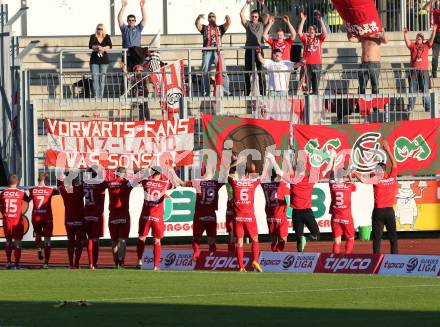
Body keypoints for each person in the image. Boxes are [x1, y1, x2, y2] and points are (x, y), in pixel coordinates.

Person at [266, 152, 320, 252]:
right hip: (307, 212)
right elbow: (324, 171)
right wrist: (331, 159)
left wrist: (273, 159)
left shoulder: (293, 179)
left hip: (296, 213)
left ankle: (299, 259)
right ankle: (307, 239)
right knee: (316, 235)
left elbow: (279, 171)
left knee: (299, 238)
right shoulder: (310, 180)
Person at [355, 141, 399, 254]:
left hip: (379, 211)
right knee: (393, 236)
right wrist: (388, 149)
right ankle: (395, 257)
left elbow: (363, 179)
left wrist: (354, 172)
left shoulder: (376, 178)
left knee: (377, 237)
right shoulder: (392, 177)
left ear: (379, 170)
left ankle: (376, 259)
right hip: (389, 211)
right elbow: (394, 164)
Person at [228, 161, 263, 272]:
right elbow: (262, 175)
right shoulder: (252, 183)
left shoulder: (234, 182)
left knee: (239, 241)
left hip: (238, 217)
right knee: (255, 239)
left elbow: (224, 173)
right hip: (249, 216)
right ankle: (255, 260)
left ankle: (241, 267)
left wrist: (234, 163)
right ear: (248, 175)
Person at [136, 167, 173, 270]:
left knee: (141, 238)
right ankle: (156, 266)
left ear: (151, 174)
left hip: (145, 215)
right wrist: (168, 172)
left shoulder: (146, 182)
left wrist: (146, 172)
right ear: (160, 174)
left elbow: (136, 179)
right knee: (157, 240)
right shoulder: (165, 184)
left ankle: (139, 261)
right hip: (157, 216)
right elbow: (174, 185)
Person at [195, 12, 231, 96]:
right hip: (207, 51)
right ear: (208, 19)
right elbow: (197, 24)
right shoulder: (204, 28)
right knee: (205, 72)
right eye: (210, 17)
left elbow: (228, 22)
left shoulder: (220, 28)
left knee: (223, 72)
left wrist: (227, 16)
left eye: (213, 16)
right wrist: (198, 17)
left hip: (217, 51)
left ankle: (226, 92)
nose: (211, 18)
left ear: (215, 18)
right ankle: (205, 93)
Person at [403, 26, 436, 113]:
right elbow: (407, 42)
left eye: (421, 37)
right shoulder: (413, 46)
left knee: (425, 90)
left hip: (424, 71)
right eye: (418, 37)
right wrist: (405, 34)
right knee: (412, 89)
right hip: (414, 72)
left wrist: (434, 31)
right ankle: (410, 107)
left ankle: (428, 108)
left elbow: (432, 39)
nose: (419, 38)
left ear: (422, 39)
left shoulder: (426, 46)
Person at [0, 174, 30, 269]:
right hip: (17, 221)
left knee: (8, 241)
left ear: (8, 182)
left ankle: (8, 262)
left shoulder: (3, 193)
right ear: (17, 182)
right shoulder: (21, 193)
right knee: (17, 242)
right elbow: (28, 199)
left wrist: (4, 212)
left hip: (7, 221)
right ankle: (17, 265)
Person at [29, 172, 58, 268]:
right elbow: (60, 191)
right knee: (47, 239)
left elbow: (27, 199)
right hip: (47, 217)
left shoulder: (32, 190)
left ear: (38, 179)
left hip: (36, 216)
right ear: (45, 180)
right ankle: (46, 263)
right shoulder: (50, 190)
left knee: (38, 234)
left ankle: (39, 248)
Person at [347, 29, 388, 96]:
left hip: (374, 63)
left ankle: (375, 106)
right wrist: (348, 29)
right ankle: (360, 106)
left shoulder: (377, 35)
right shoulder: (363, 35)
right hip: (364, 63)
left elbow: (386, 41)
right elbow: (351, 39)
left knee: (375, 86)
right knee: (361, 86)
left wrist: (382, 31)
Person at [107, 167, 134, 268]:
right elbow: (138, 179)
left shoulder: (110, 183)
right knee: (122, 240)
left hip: (113, 214)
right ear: (124, 174)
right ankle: (121, 261)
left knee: (114, 241)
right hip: (123, 214)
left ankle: (115, 263)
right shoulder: (126, 183)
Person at [240, 0, 269, 95]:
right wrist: (246, 4)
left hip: (259, 51)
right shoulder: (248, 24)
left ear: (258, 17)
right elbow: (241, 14)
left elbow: (267, 15)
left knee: (260, 72)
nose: (254, 18)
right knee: (248, 72)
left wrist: (262, 4)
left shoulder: (261, 24)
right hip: (249, 50)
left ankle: (263, 92)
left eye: (256, 16)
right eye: (252, 16)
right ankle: (247, 92)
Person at [57, 172, 85, 269]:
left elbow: (59, 184)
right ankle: (76, 263)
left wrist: (63, 176)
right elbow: (87, 184)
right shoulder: (80, 189)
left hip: (69, 220)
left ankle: (70, 263)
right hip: (79, 219)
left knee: (70, 242)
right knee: (79, 242)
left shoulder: (64, 190)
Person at [328, 162, 357, 255]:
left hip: (335, 217)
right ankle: (346, 258)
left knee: (337, 241)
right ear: (345, 176)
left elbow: (331, 177)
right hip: (346, 217)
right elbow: (355, 187)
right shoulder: (349, 186)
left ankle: (335, 260)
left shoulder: (333, 185)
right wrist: (349, 173)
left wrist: (333, 164)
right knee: (351, 238)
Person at [83, 167, 108, 270]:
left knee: (89, 239)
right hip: (97, 215)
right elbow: (110, 183)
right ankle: (95, 263)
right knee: (96, 240)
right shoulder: (101, 183)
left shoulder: (85, 183)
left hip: (87, 213)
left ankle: (90, 264)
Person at [298, 10, 327, 95]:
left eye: (313, 29)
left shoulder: (319, 39)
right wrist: (303, 20)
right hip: (306, 65)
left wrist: (321, 20)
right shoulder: (306, 38)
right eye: (310, 29)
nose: (311, 30)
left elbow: (325, 32)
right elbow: (299, 32)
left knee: (315, 89)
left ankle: (315, 106)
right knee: (306, 89)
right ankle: (307, 107)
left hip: (317, 64)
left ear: (315, 31)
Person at [261, 171, 290, 252]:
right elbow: (288, 176)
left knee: (273, 237)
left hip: (269, 214)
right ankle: (279, 256)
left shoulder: (264, 184)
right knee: (283, 238)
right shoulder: (280, 184)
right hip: (280, 213)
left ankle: (273, 254)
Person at [118, 0, 147, 70]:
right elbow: (119, 18)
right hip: (127, 54)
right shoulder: (124, 29)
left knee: (136, 70)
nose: (131, 21)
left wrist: (142, 7)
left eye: (133, 20)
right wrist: (123, 7)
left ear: (135, 21)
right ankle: (127, 81)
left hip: (136, 54)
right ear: (127, 21)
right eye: (129, 20)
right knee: (126, 71)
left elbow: (144, 18)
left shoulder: (138, 28)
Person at [89, 23, 112, 98]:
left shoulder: (107, 36)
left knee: (102, 79)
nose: (100, 30)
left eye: (101, 29)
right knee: (95, 79)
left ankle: (101, 96)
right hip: (94, 60)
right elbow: (91, 45)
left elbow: (109, 46)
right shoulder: (93, 36)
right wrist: (97, 47)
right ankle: (96, 96)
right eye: (98, 29)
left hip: (104, 61)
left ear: (103, 30)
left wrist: (102, 48)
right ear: (96, 29)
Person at [424, 1, 440, 77]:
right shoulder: (434, 10)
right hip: (436, 35)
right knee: (435, 56)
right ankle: (434, 74)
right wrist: (431, 1)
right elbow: (425, 8)